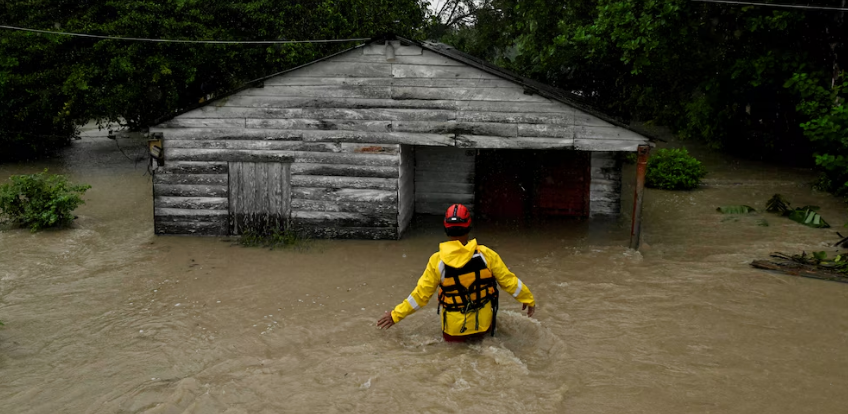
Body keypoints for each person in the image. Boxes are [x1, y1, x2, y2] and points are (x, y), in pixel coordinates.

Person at [377, 204, 536, 342]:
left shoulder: (437, 261)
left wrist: (395, 315)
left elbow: (420, 297)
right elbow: (509, 281)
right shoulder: (486, 255)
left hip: (453, 330)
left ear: (446, 228)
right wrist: (528, 298)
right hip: (482, 325)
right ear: (469, 227)